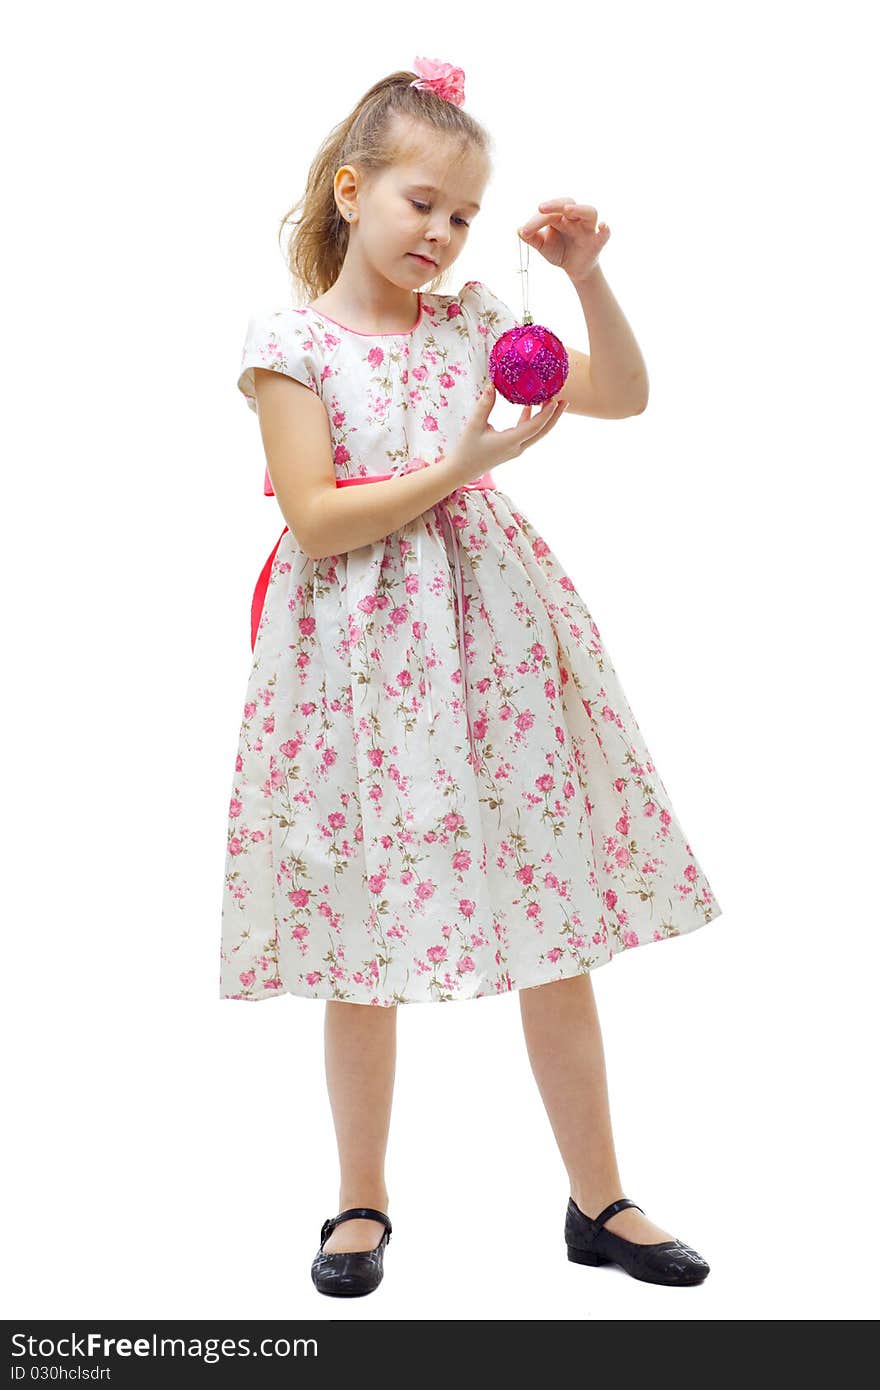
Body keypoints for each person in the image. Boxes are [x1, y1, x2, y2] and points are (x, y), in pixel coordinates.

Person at [220, 56, 723, 1298]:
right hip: (351, 662)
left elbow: (623, 395)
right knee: (358, 928)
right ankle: (358, 1200)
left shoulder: (475, 325)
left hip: (491, 647)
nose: (443, 234)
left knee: (549, 911)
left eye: (462, 214)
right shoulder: (288, 343)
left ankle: (598, 1196)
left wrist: (585, 279)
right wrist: (460, 463)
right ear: (351, 189)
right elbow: (319, 519)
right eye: (420, 203)